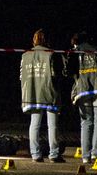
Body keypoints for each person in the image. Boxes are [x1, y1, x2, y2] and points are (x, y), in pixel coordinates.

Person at [20, 29, 66, 163]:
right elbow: (56, 74)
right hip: (49, 92)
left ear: (34, 39)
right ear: (46, 39)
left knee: (34, 124)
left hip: (32, 94)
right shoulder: (50, 54)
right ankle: (54, 154)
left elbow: (21, 75)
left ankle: (35, 154)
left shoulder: (25, 55)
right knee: (52, 125)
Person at [70, 32, 97, 164]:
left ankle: (85, 156)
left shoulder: (75, 51)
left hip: (83, 89)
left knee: (86, 122)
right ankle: (96, 153)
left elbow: (69, 70)